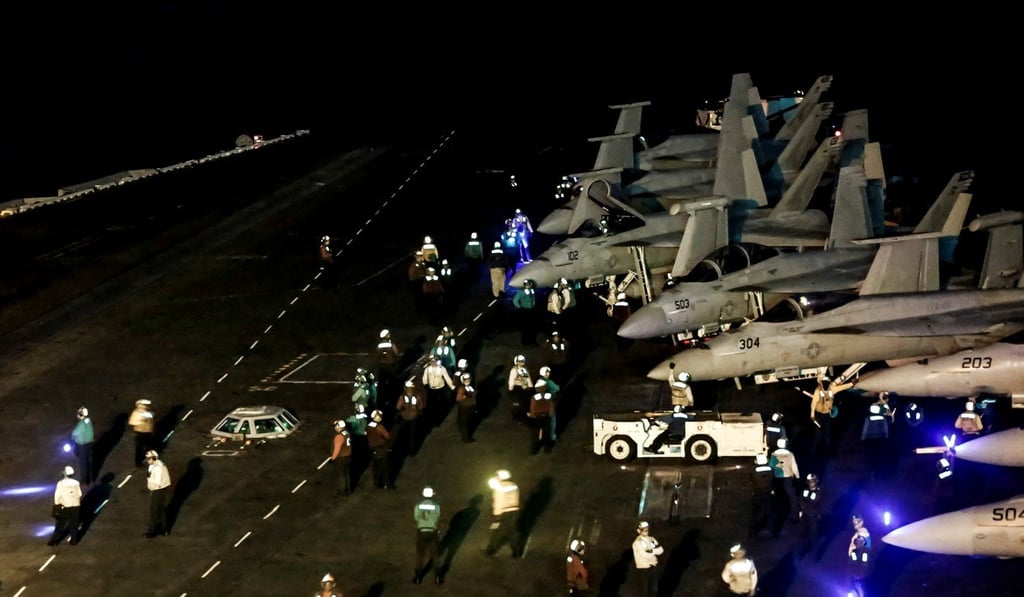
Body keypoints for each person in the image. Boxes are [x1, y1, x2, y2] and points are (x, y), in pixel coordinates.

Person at [800, 374, 854, 456]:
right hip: (818, 415)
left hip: (826, 415)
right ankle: (813, 452)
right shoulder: (818, 390)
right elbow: (814, 403)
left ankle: (828, 452)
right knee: (817, 434)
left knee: (827, 434)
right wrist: (812, 415)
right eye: (823, 383)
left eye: (826, 383)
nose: (824, 385)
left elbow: (842, 387)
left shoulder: (832, 389)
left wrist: (852, 384)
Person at [485, 469, 521, 557]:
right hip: (513, 511)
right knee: (512, 531)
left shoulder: (500, 486)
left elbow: (499, 501)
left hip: (503, 512)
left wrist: (497, 515)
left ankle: (491, 550)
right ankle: (517, 551)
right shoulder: (513, 485)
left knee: (496, 531)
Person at [413, 486, 443, 585]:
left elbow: (416, 518)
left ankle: (417, 577)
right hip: (432, 531)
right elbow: (437, 517)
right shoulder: (436, 506)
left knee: (420, 555)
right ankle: (438, 577)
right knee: (435, 555)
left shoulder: (418, 505)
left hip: (421, 531)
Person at [49, 465, 82, 546]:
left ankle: (54, 541)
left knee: (60, 524)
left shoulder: (61, 483)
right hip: (76, 506)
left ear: (65, 474)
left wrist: (57, 505)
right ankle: (74, 541)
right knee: (73, 524)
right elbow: (80, 494)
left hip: (65, 506)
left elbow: (57, 495)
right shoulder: (76, 483)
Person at [769, 438, 800, 523]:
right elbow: (794, 467)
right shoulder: (790, 454)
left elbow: (771, 467)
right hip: (787, 478)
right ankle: (794, 514)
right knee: (792, 497)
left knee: (779, 496)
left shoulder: (773, 455)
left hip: (776, 479)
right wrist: (797, 477)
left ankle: (778, 513)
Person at [632, 520, 664, 597]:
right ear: (638, 530)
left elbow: (661, 550)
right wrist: (654, 551)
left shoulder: (651, 539)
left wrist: (651, 551)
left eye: (647, 529)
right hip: (643, 570)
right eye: (644, 530)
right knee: (643, 591)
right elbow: (645, 554)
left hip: (653, 567)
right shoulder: (637, 543)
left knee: (653, 590)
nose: (646, 531)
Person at [860, 403, 891, 482]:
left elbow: (865, 429)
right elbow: (885, 428)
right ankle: (878, 474)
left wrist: (862, 439)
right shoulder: (882, 417)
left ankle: (871, 473)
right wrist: (886, 437)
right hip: (880, 439)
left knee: (870, 457)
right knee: (879, 457)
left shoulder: (868, 418)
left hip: (870, 440)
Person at [144, 450, 171, 537]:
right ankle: (164, 529)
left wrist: (149, 478)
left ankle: (151, 531)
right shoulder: (154, 465)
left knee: (154, 510)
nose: (147, 460)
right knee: (160, 510)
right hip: (159, 489)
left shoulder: (158, 467)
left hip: (159, 489)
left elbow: (157, 481)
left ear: (154, 458)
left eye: (149, 459)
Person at [422, 356, 455, 426]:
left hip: (440, 390)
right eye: (432, 361)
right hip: (431, 390)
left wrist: (452, 387)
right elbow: (424, 378)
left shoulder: (442, 369)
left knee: (440, 405)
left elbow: (447, 378)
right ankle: (430, 420)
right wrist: (426, 385)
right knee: (430, 406)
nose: (433, 363)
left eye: (434, 361)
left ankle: (438, 420)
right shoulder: (427, 369)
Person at [748, 453, 775, 539]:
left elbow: (751, 479)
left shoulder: (754, 470)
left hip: (758, 493)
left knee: (756, 513)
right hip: (768, 492)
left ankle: (753, 532)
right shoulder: (770, 469)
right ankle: (769, 529)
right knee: (768, 511)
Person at [396, 380, 425, 455]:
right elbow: (421, 406)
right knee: (412, 434)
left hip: (406, 417)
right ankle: (412, 450)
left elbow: (398, 407)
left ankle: (408, 450)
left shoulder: (402, 397)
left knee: (407, 434)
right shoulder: (416, 396)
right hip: (413, 417)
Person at [366, 410, 393, 489]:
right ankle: (386, 484)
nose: (380, 418)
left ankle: (376, 483)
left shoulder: (369, 426)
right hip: (381, 448)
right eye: (379, 416)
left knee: (375, 466)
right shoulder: (379, 427)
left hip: (372, 448)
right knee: (385, 467)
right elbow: (387, 436)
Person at [528, 379, 555, 452]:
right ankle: (547, 448)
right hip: (546, 416)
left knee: (535, 434)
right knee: (547, 433)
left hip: (537, 417)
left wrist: (533, 416)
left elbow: (532, 407)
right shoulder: (549, 396)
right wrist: (550, 415)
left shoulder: (534, 397)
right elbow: (551, 406)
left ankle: (535, 449)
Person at [848, 514, 872, 597]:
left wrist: (860, 573)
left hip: (860, 575)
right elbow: (853, 562)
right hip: (855, 574)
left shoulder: (864, 552)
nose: (854, 523)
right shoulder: (855, 552)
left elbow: (864, 564)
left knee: (860, 589)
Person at [798, 474, 823, 553]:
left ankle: (815, 553)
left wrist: (804, 505)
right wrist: (802, 508)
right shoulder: (805, 490)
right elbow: (800, 499)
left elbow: (814, 502)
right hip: (804, 515)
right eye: (809, 482)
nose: (811, 483)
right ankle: (801, 551)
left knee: (814, 535)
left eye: (812, 481)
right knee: (802, 534)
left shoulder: (818, 492)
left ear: (816, 482)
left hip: (813, 516)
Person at [512, 278, 539, 345]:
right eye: (527, 284)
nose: (529, 285)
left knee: (532, 326)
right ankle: (525, 341)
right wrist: (520, 307)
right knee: (526, 327)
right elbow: (515, 300)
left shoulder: (531, 290)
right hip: (525, 311)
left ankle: (532, 341)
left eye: (529, 284)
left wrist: (534, 304)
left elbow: (533, 298)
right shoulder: (521, 292)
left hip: (531, 310)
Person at [128, 399, 155, 468]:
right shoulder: (136, 413)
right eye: (144, 405)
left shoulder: (147, 412)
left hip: (147, 433)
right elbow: (131, 422)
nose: (145, 406)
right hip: (139, 433)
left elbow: (151, 420)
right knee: (139, 449)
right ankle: (139, 463)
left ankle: (148, 459)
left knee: (148, 447)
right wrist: (142, 421)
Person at [71, 406, 95, 485]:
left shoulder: (81, 424)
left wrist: (73, 438)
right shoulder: (88, 420)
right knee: (89, 461)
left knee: (83, 463)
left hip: (83, 446)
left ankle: (84, 480)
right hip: (90, 444)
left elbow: (75, 433)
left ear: (80, 415)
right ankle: (91, 478)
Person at [507, 354, 533, 423]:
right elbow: (511, 380)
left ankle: (523, 417)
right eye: (520, 361)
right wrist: (510, 389)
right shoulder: (514, 370)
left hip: (524, 388)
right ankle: (519, 417)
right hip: (517, 388)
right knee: (520, 403)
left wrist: (530, 386)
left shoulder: (524, 369)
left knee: (525, 403)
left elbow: (527, 378)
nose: (521, 362)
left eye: (522, 361)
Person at [329, 420, 352, 496]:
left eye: (337, 426)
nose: (336, 428)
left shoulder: (339, 436)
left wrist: (333, 458)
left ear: (341, 426)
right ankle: (348, 489)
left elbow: (337, 449)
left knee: (341, 475)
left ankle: (343, 491)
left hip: (341, 458)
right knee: (347, 474)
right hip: (348, 456)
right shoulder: (347, 433)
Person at [537, 365, 560, 442]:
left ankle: (541, 437)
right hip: (549, 404)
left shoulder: (538, 381)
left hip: (540, 405)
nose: (548, 374)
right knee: (553, 421)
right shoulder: (549, 382)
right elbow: (557, 388)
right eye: (547, 372)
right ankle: (552, 437)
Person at [455, 372, 477, 443]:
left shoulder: (469, 387)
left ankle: (466, 436)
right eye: (466, 380)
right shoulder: (462, 388)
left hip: (469, 408)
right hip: (464, 409)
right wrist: (466, 398)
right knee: (464, 424)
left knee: (467, 423)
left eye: (468, 379)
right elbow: (458, 398)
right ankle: (466, 438)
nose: (468, 381)